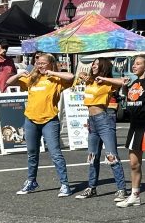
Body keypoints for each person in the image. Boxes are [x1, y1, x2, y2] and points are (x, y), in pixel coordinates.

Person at [97, 55, 145, 212]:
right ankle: (135, 196)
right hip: (135, 127)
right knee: (134, 164)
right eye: (134, 64)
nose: (134, 66)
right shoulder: (133, 83)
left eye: (138, 64)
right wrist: (122, 88)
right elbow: (128, 100)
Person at [7, 53, 75, 196]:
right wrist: (20, 75)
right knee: (32, 153)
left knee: (55, 153)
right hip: (30, 119)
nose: (40, 65)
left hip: (49, 120)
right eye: (38, 63)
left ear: (50, 64)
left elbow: (71, 77)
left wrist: (50, 72)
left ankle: (64, 184)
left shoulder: (55, 78)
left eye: (43, 63)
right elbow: (8, 82)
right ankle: (31, 181)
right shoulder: (32, 78)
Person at [75, 58, 128, 202]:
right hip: (91, 121)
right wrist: (84, 76)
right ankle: (91, 187)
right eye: (93, 64)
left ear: (103, 67)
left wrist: (103, 78)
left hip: (104, 119)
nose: (93, 66)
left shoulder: (107, 82)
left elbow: (123, 82)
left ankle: (121, 189)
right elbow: (79, 76)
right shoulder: (90, 81)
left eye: (97, 64)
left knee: (111, 155)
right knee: (92, 156)